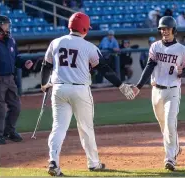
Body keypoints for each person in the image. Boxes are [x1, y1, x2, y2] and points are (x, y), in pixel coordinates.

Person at [40, 12, 136, 176]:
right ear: (84, 28)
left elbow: (46, 65)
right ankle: (93, 163)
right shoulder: (89, 47)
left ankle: (53, 162)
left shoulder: (55, 42)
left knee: (58, 128)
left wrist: (43, 83)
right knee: (86, 128)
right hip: (80, 90)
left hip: (59, 89)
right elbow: (104, 69)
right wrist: (121, 85)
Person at [133, 16, 185, 171]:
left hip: (172, 90)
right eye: (162, 29)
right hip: (156, 91)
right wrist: (139, 85)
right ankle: (176, 147)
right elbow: (149, 66)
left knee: (170, 123)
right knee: (164, 125)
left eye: (167, 28)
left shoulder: (182, 50)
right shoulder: (155, 46)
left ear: (174, 30)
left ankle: (170, 157)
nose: (164, 31)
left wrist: (182, 72)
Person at [0, 15, 33, 145]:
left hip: (10, 78)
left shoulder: (11, 40)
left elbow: (16, 57)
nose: (7, 27)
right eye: (5, 25)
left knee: (16, 106)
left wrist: (24, 63)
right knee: (0, 108)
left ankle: (9, 131)